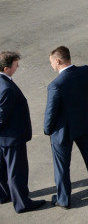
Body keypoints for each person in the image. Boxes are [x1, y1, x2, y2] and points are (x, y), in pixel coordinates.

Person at [44, 46, 88, 209]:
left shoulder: (55, 85)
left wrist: (47, 129)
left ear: (58, 60)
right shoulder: (85, 71)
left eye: (51, 62)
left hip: (63, 131)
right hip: (84, 122)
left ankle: (64, 199)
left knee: (62, 166)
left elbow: (51, 112)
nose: (51, 66)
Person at [0, 52, 46, 214]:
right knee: (16, 171)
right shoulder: (6, 88)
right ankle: (22, 203)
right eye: (15, 64)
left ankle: (4, 195)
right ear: (6, 68)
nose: (17, 67)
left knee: (2, 168)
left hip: (3, 138)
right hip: (11, 138)